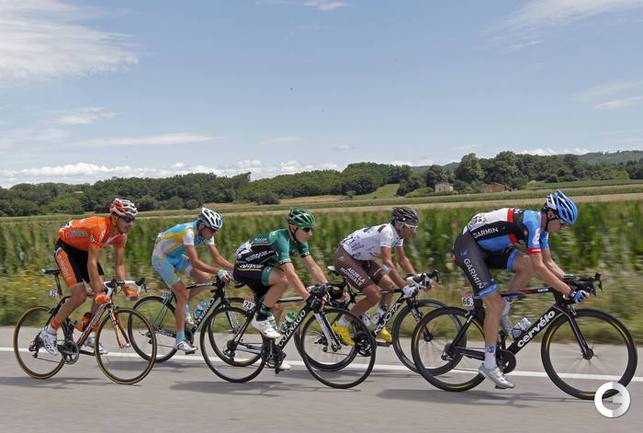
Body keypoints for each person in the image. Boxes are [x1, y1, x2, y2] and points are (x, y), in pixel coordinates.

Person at [452, 190, 588, 389]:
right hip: (468, 248)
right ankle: (489, 364)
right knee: (495, 305)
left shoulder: (542, 230)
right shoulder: (532, 223)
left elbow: (548, 263)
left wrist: (573, 280)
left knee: (528, 266)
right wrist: (568, 291)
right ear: (551, 215)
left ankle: (504, 311)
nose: (563, 228)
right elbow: (541, 268)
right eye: (563, 223)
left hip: (488, 248)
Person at [39, 198, 139, 355]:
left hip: (83, 250)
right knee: (80, 295)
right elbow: (92, 262)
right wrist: (97, 291)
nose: (130, 223)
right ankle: (49, 331)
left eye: (132, 219)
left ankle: (88, 332)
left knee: (105, 291)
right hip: (65, 248)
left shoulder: (121, 235)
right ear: (115, 217)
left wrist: (126, 289)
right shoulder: (100, 228)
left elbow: (119, 265)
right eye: (127, 219)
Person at [233, 208, 328, 345]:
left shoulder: (299, 241)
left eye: (311, 229)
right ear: (293, 228)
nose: (310, 234)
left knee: (277, 308)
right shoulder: (281, 240)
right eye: (306, 229)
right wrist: (307, 298)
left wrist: (327, 287)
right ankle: (260, 317)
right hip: (243, 266)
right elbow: (290, 274)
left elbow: (312, 266)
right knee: (282, 279)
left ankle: (270, 350)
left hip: (260, 267)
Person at [332, 207, 422, 345]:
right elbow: (387, 263)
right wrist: (404, 287)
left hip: (361, 259)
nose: (414, 231)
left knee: (389, 286)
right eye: (412, 227)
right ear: (400, 224)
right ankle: (341, 325)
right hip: (345, 257)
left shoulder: (398, 236)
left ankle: (378, 324)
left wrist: (417, 279)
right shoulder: (388, 232)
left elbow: (402, 260)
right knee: (374, 295)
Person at [152, 207, 233, 354]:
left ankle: (183, 306)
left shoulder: (206, 234)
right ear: (202, 225)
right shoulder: (188, 232)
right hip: (161, 258)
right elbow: (195, 262)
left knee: (204, 279)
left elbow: (217, 258)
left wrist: (236, 269)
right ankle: (180, 340)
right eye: (212, 230)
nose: (213, 233)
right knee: (182, 294)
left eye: (216, 231)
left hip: (176, 257)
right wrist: (218, 271)